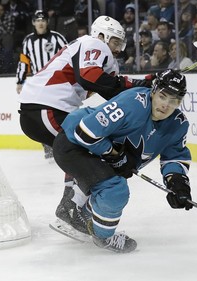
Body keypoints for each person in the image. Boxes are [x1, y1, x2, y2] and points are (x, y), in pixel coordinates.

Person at [17, 16, 153, 224]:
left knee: (84, 149)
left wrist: (149, 84)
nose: (117, 49)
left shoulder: (100, 57)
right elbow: (89, 77)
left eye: (120, 44)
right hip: (45, 108)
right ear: (101, 35)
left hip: (43, 109)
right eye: (115, 41)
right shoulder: (93, 42)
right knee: (84, 146)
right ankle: (70, 208)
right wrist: (142, 84)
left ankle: (71, 206)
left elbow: (114, 90)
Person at [52, 69, 193, 253]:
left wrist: (178, 182)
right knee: (115, 190)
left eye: (173, 101)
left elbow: (175, 156)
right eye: (163, 96)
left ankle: (77, 214)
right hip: (73, 144)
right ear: (153, 91)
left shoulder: (178, 124)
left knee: (115, 177)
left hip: (95, 154)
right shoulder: (133, 103)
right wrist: (114, 154)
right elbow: (85, 132)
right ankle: (102, 236)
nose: (166, 105)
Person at [16, 10, 68, 161]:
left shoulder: (57, 38)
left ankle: (59, 143)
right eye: (37, 20)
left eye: (43, 20)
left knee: (56, 112)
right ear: (33, 22)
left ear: (47, 22)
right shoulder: (28, 41)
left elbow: (69, 56)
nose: (40, 23)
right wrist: (20, 80)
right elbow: (24, 61)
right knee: (38, 114)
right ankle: (47, 144)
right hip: (39, 83)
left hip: (57, 83)